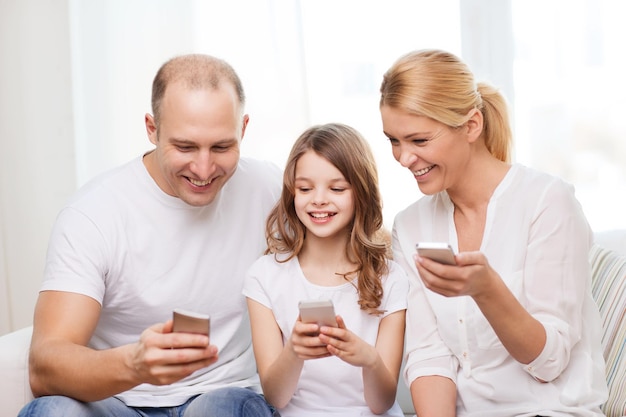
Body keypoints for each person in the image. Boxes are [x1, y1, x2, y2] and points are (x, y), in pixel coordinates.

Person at [18, 54, 282, 417]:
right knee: (51, 411)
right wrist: (135, 365)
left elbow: (349, 241)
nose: (204, 169)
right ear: (152, 128)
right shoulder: (94, 213)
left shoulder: (269, 189)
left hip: (221, 396)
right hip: (118, 402)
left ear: (243, 129)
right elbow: (45, 365)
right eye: (185, 147)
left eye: (221, 147)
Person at [379, 49, 609, 417]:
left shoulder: (547, 203)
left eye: (419, 141)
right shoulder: (410, 226)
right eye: (394, 140)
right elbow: (429, 358)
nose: (404, 158)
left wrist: (486, 290)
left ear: (472, 125)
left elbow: (549, 361)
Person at [243, 123, 409, 417]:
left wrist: (369, 360)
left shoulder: (391, 277)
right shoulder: (265, 276)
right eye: (305, 188)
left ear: (361, 192)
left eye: (336, 188)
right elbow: (276, 397)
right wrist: (294, 351)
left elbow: (381, 403)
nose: (318, 199)